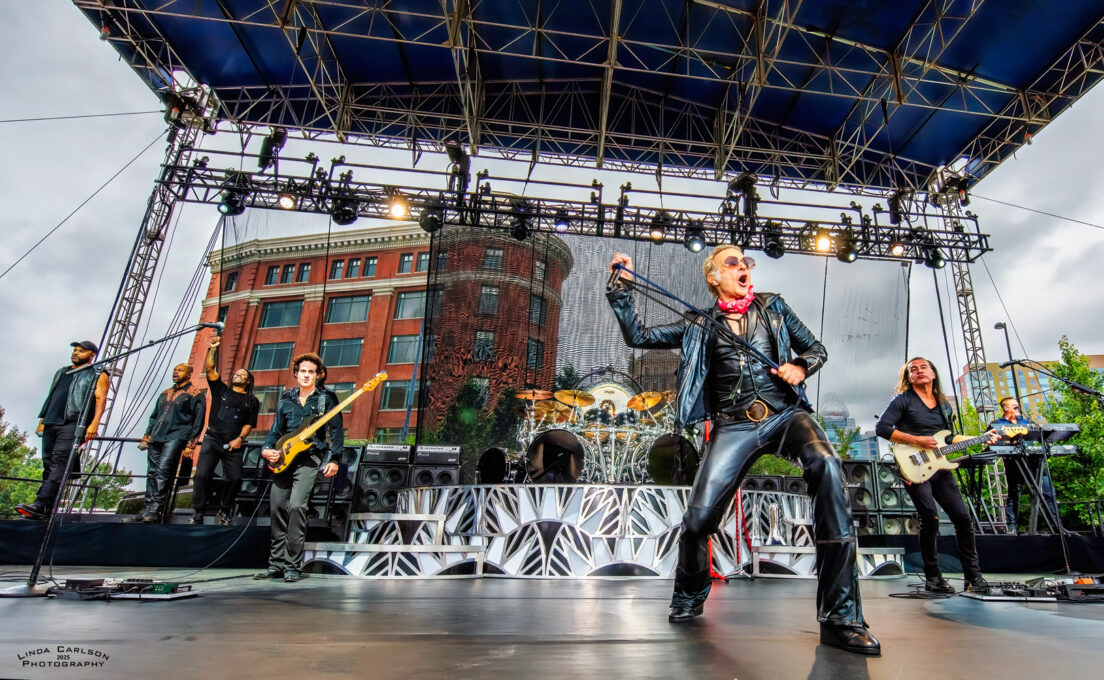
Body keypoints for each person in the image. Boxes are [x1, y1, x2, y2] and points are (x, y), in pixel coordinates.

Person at [606, 246, 879, 655]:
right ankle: (689, 593)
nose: (744, 266)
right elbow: (639, 336)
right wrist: (622, 288)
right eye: (732, 262)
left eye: (746, 262)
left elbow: (816, 348)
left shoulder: (773, 307)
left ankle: (841, 618)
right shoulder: (699, 323)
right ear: (714, 277)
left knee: (826, 462)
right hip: (733, 425)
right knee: (698, 520)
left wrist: (801, 366)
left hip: (784, 414)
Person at [876, 357, 998, 593]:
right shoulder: (903, 400)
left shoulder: (943, 404)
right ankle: (933, 578)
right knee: (930, 517)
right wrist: (917, 440)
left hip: (941, 467)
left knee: (963, 518)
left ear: (933, 374)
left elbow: (949, 438)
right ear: (909, 378)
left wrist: (982, 438)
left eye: (924, 367)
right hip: (913, 465)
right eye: (913, 369)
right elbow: (882, 427)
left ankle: (973, 576)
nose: (919, 371)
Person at [255, 353, 341, 583]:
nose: (306, 375)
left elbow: (337, 431)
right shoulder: (286, 400)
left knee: (296, 507)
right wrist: (266, 448)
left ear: (318, 375)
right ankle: (275, 565)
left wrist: (334, 459)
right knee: (277, 507)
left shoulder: (326, 400)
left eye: (311, 372)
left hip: (309, 459)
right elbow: (275, 431)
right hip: (284, 459)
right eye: (303, 371)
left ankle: (292, 566)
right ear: (296, 373)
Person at [16, 341, 110, 519]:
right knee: (48, 463)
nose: (76, 353)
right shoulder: (62, 372)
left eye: (81, 351)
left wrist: (95, 424)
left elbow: (101, 398)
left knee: (59, 462)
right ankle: (45, 508)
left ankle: (41, 504)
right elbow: (52, 396)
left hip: (73, 422)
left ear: (91, 355)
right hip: (51, 421)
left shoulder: (98, 372)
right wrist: (43, 419)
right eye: (75, 350)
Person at [190, 335, 259, 525]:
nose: (237, 375)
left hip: (233, 443)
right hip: (212, 439)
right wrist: (213, 349)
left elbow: (249, 423)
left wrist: (240, 439)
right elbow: (210, 370)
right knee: (202, 475)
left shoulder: (252, 400)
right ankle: (198, 512)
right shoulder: (221, 390)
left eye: (242, 375)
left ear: (248, 381)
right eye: (236, 374)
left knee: (234, 478)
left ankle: (225, 511)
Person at [131, 363, 206, 523]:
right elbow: (154, 416)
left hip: (176, 436)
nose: (176, 372)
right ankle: (146, 509)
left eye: (180, 370)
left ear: (189, 374)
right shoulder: (165, 393)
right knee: (152, 473)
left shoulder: (195, 394)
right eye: (175, 370)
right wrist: (147, 435)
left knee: (163, 472)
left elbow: (198, 421)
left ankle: (155, 510)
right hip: (157, 437)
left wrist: (191, 444)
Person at [989, 397, 1058, 533]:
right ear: (1006, 408)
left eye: (1018, 405)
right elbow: (993, 442)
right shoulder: (997, 424)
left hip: (1033, 462)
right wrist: (1009, 442)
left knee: (1048, 491)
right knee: (1014, 494)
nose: (1018, 407)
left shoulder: (1026, 422)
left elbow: (1038, 436)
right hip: (1014, 463)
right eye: (1014, 406)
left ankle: (1056, 525)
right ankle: (1012, 526)